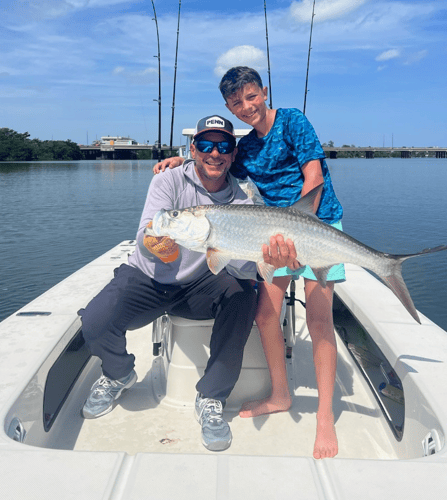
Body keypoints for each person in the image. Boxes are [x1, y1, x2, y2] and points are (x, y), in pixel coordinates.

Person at [154, 67, 344, 459]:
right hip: (271, 239)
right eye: (237, 102)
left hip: (316, 226)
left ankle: (324, 416)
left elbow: (314, 176)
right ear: (229, 105)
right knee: (264, 315)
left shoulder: (293, 120)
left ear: (264, 92)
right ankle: (280, 394)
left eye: (251, 96)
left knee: (320, 319)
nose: (246, 107)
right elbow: (216, 166)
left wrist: (298, 229)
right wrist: (179, 160)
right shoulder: (246, 149)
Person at [79, 114, 297, 453]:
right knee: (94, 320)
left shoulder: (241, 201)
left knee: (242, 294)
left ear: (233, 153)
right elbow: (147, 232)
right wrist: (154, 244)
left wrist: (269, 260)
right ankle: (119, 373)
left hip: (198, 284)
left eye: (223, 146)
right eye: (206, 145)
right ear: (193, 148)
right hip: (147, 278)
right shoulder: (167, 180)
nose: (214, 153)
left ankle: (212, 397)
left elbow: (239, 266)